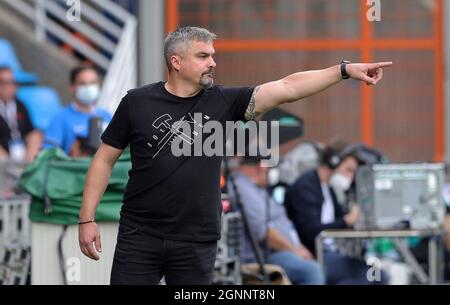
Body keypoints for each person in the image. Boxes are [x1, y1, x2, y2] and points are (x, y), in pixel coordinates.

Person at [78, 26, 392, 285]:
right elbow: (104, 159)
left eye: (213, 55)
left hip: (196, 239)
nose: (212, 62)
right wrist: (87, 218)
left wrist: (344, 70)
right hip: (140, 234)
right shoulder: (137, 102)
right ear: (176, 61)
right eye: (203, 56)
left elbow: (287, 87)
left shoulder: (223, 101)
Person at [284, 141, 386, 284]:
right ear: (333, 163)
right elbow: (310, 230)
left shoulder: (328, 188)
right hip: (316, 255)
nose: (350, 176)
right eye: (348, 170)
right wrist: (346, 220)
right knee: (372, 276)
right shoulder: (305, 187)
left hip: (331, 254)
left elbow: (339, 218)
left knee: (377, 274)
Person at [230, 154, 325, 284]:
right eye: (269, 168)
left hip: (280, 251)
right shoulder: (242, 188)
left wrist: (298, 247)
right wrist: (294, 250)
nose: (271, 172)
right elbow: (264, 232)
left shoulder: (257, 188)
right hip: (262, 257)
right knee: (310, 270)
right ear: (261, 167)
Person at [43, 65, 111, 155]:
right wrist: (71, 154)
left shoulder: (106, 115)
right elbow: (48, 155)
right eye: (83, 84)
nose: (88, 87)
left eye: (93, 83)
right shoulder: (60, 118)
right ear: (72, 87)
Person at [0, 66, 42, 162]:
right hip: (3, 159)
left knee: (37, 136)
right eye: (3, 82)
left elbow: (31, 131)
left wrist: (31, 152)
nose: (7, 86)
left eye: (11, 82)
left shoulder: (20, 105)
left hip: (22, 153)